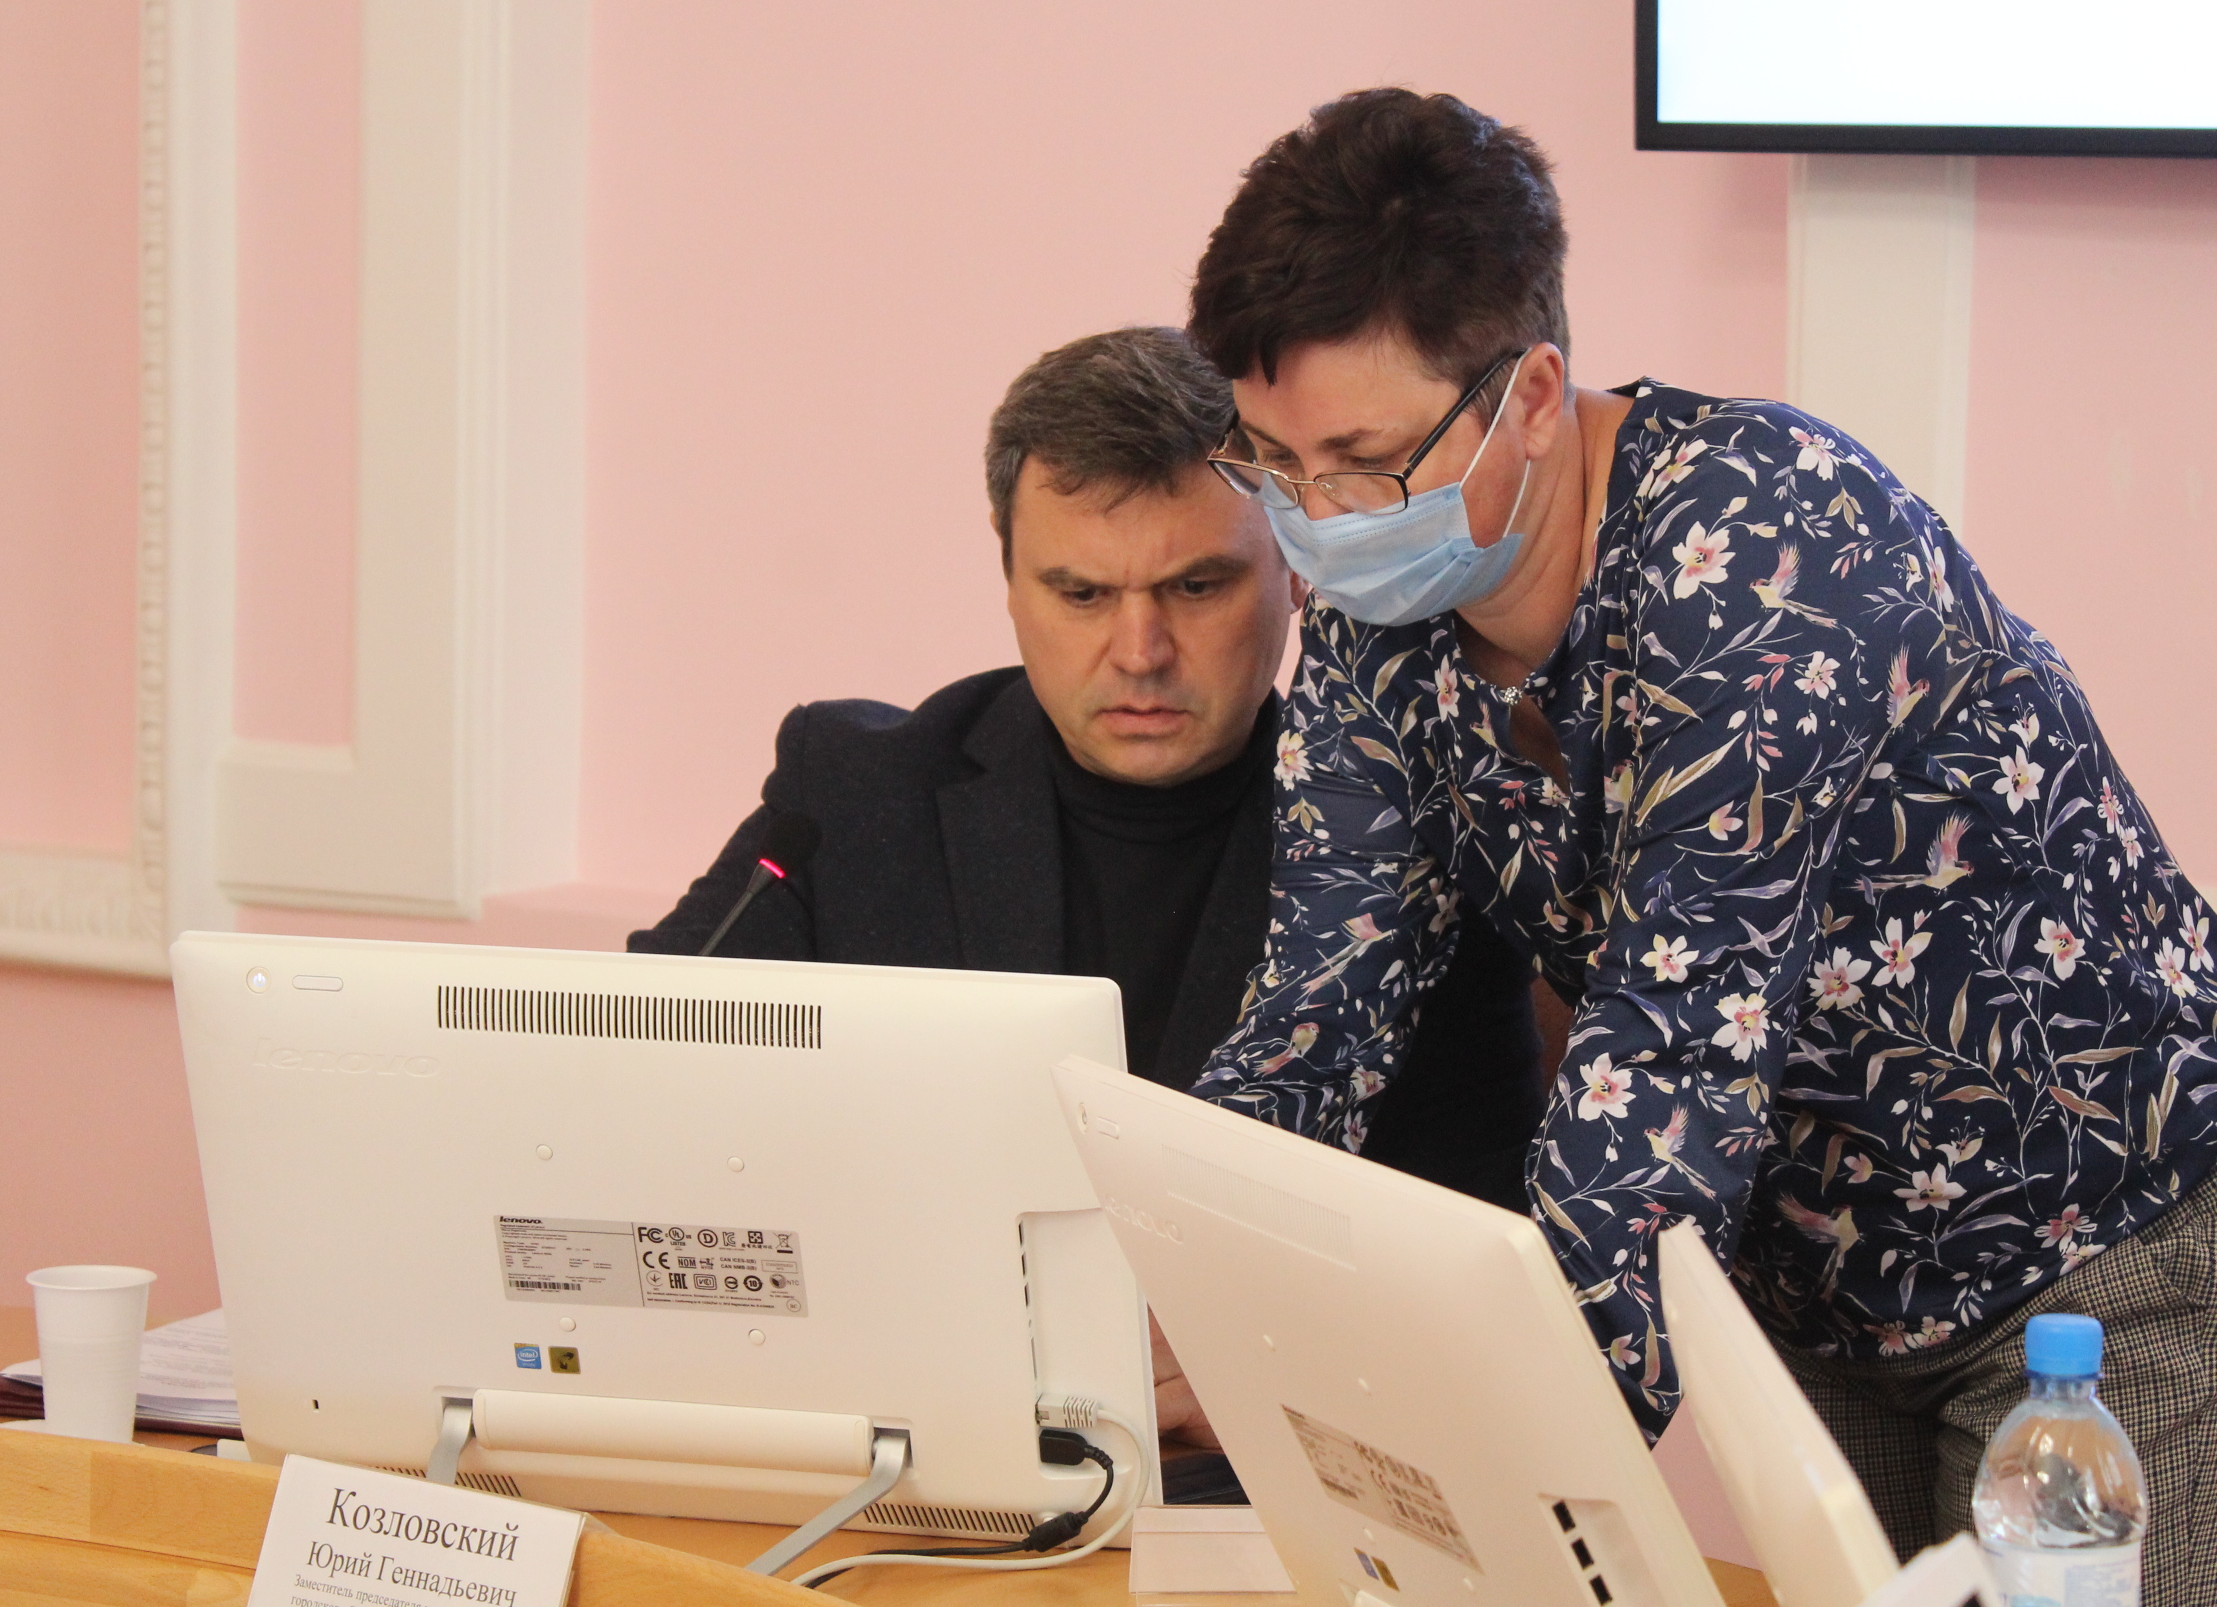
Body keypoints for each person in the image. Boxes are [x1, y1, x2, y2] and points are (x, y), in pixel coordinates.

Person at [1181, 90, 2217, 1607]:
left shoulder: (1766, 545)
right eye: (1271, 463)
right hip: (1820, 1269)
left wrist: (1504, 1493)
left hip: (2100, 1239)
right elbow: (1318, 1005)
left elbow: (1668, 1046)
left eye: (1365, 463)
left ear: (1531, 395)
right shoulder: (1377, 632)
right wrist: (1187, 1287)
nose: (1319, 522)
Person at [630, 327, 1547, 1445]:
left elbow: (1490, 1266)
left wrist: (1290, 1373)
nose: (1139, 650)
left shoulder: (1412, 839)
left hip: (1248, 1476)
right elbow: (624, 1076)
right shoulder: (852, 797)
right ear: (1009, 575)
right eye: (1079, 593)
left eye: (1197, 586)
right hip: (896, 1444)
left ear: (1294, 569)